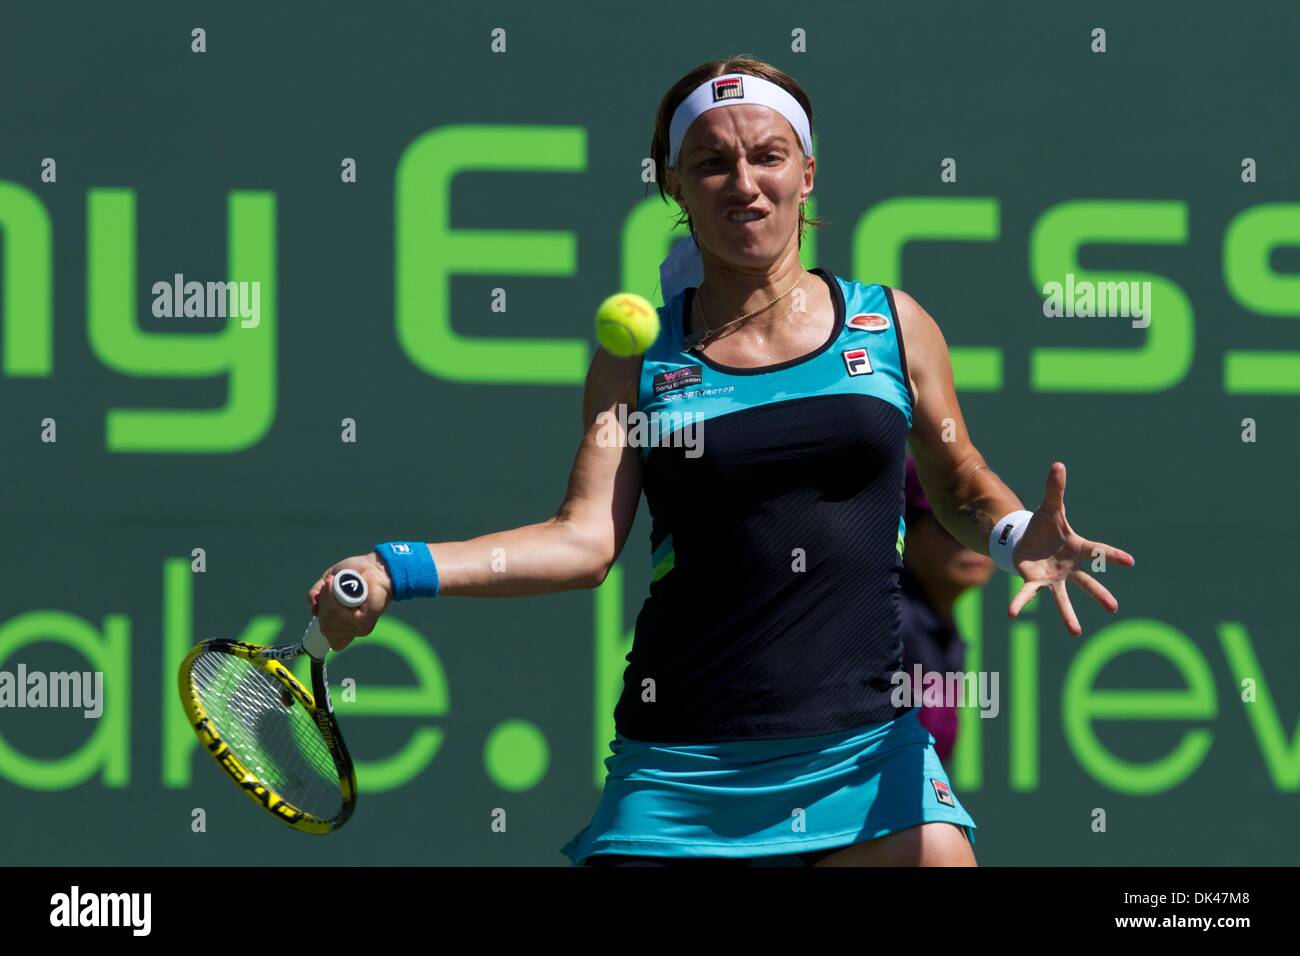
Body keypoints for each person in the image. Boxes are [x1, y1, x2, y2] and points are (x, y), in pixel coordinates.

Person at [307, 55, 1135, 867]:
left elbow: (958, 483)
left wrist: (1015, 530)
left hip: (868, 755)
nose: (744, 182)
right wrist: (398, 567)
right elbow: (584, 540)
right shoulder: (636, 361)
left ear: (807, 173)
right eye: (712, 162)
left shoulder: (892, 325)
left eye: (768, 156)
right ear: (673, 185)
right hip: (682, 772)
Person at [898, 455, 995, 764]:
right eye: (950, 524)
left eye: (984, 525)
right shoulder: (885, 626)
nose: (971, 542)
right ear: (906, 531)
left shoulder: (944, 629)